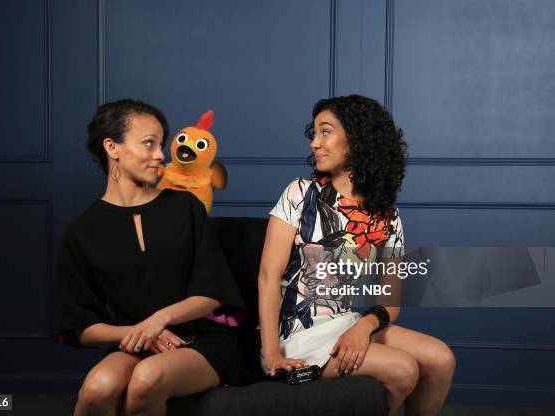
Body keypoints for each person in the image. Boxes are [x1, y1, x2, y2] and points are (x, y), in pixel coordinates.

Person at [258, 94, 456, 416]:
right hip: (295, 334)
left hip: (346, 323)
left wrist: (363, 327)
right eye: (315, 133)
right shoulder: (300, 194)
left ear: (358, 141)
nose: (314, 144)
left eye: (326, 132)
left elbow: (391, 302)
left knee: (441, 359)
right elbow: (267, 278)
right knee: (404, 369)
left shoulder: (387, 216)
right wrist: (272, 355)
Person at [53, 98, 245, 416]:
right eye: (149, 144)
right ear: (112, 147)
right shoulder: (82, 232)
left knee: (146, 380)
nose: (160, 155)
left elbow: (211, 294)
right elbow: (81, 326)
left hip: (200, 342)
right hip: (136, 343)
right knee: (97, 389)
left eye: (161, 144)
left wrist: (159, 320)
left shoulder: (186, 208)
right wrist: (141, 333)